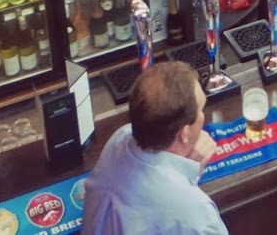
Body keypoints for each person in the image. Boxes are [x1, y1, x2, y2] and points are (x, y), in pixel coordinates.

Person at [82, 61, 225, 235]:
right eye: (201, 109)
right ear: (185, 132)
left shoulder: (119, 138)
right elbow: (175, 210)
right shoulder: (198, 219)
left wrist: (188, 173)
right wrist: (188, 180)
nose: (203, 115)